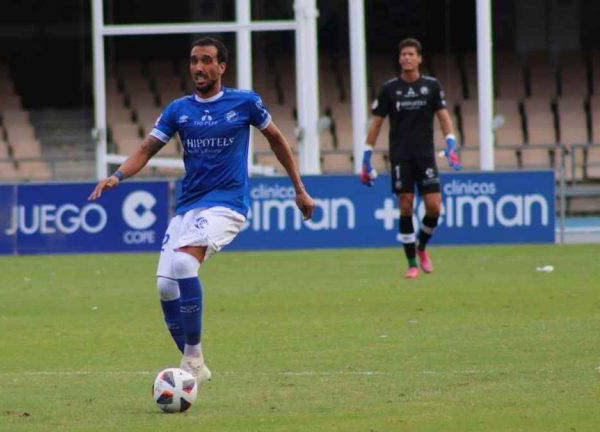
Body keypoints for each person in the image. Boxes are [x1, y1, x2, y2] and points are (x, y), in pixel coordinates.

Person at [89, 37, 315, 383]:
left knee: (183, 263)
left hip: (227, 204)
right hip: (187, 207)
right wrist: (118, 176)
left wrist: (299, 189)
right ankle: (193, 367)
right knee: (166, 287)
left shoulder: (245, 102)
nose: (198, 67)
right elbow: (147, 149)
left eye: (206, 60)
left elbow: (277, 140)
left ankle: (191, 359)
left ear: (221, 67)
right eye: (194, 60)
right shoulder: (179, 109)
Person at [361, 37, 461, 279]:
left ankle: (422, 246)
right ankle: (411, 263)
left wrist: (451, 142)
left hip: (426, 157)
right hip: (401, 157)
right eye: (403, 54)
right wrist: (366, 155)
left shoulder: (432, 86)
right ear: (399, 59)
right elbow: (376, 124)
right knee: (405, 204)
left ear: (419, 58)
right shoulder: (389, 89)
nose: (406, 58)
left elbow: (444, 117)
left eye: (410, 54)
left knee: (434, 207)